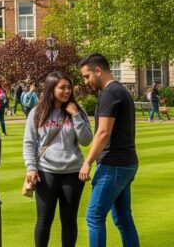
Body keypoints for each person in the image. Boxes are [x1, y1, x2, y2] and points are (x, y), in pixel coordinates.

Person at [23, 71, 93, 247]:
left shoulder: (78, 111)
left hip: (73, 173)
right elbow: (29, 142)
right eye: (62, 87)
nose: (67, 91)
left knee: (69, 220)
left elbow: (86, 140)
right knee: (44, 220)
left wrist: (75, 115)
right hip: (46, 172)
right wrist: (31, 167)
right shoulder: (37, 112)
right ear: (51, 88)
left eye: (69, 87)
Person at [79, 53, 139, 247]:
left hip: (113, 164)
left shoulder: (109, 93)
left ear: (98, 70)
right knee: (123, 219)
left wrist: (87, 162)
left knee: (94, 216)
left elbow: (103, 132)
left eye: (87, 76)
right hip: (127, 163)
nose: (86, 81)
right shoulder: (122, 91)